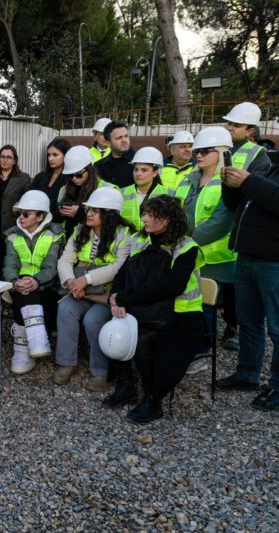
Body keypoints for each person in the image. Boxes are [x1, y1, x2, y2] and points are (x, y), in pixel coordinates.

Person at [106, 195, 205, 424]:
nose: (145, 219)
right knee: (117, 332)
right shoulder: (141, 239)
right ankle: (126, 386)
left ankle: (153, 400)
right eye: (145, 214)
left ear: (167, 220)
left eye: (151, 215)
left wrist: (125, 298)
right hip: (148, 308)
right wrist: (116, 300)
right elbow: (124, 272)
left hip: (182, 314)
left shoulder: (186, 247)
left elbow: (171, 286)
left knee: (143, 342)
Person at [172, 126, 239, 365]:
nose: (198, 155)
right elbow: (174, 212)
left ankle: (203, 349)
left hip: (215, 259)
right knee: (190, 301)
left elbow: (221, 223)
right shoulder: (187, 180)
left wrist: (183, 243)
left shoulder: (229, 183)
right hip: (187, 253)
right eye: (197, 150)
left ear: (222, 152)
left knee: (207, 305)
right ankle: (191, 343)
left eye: (206, 151)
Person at [54, 188, 133, 391]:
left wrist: (85, 280)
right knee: (66, 310)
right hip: (79, 288)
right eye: (89, 209)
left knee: (93, 320)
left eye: (95, 210)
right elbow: (65, 260)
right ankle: (66, 363)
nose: (88, 213)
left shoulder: (124, 235)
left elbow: (118, 267)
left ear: (109, 214)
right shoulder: (80, 230)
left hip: (107, 293)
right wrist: (72, 282)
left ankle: (101, 373)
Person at [215, 164, 279, 411]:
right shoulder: (267, 167)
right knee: (249, 321)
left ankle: (276, 385)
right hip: (247, 256)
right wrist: (229, 184)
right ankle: (247, 375)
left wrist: (249, 180)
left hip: (274, 261)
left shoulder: (259, 175)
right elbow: (236, 206)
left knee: (276, 328)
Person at [2, 190, 65, 374]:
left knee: (25, 296)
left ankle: (21, 352)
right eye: (20, 213)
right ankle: (37, 340)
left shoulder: (56, 234)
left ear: (41, 216)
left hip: (48, 285)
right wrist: (15, 281)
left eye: (26, 213)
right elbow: (9, 264)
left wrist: (36, 281)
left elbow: (51, 266)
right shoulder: (12, 235)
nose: (21, 217)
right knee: (23, 293)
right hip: (21, 285)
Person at [0, 144, 31, 280]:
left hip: (12, 229)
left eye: (9, 157)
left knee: (10, 264)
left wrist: (20, 208)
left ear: (15, 160)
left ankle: (9, 293)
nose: (5, 160)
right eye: (2, 157)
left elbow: (29, 203)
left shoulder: (23, 179)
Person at [55, 145, 113, 237]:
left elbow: (110, 220)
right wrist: (61, 213)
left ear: (89, 170)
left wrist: (80, 213)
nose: (74, 178)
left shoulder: (106, 189)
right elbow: (56, 220)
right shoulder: (64, 189)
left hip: (94, 240)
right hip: (68, 239)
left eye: (78, 175)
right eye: (70, 175)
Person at [120, 147, 170, 231]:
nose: (138, 174)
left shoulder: (169, 194)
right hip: (128, 242)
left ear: (154, 173)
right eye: (136, 170)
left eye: (144, 170)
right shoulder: (121, 193)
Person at [222, 102, 271, 175]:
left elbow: (255, 184)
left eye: (237, 126)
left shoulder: (258, 155)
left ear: (249, 131)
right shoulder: (211, 146)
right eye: (229, 123)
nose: (229, 128)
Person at [29, 138, 72, 215]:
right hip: (35, 221)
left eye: (55, 155)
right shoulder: (40, 177)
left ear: (66, 155)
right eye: (49, 155)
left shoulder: (71, 179)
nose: (50, 158)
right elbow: (30, 197)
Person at [95, 120, 135, 188]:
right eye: (119, 138)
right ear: (108, 143)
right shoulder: (99, 166)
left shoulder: (140, 162)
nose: (124, 140)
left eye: (126, 136)